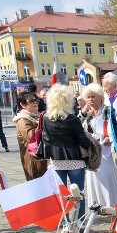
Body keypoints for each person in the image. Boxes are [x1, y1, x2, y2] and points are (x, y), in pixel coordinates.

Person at [42, 84, 92, 219]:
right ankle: (79, 221)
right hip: (75, 160)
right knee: (78, 194)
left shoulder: (46, 118)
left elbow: (46, 140)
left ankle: (64, 222)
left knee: (61, 194)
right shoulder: (72, 119)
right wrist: (91, 144)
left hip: (57, 160)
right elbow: (83, 139)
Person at [80, 83, 117, 209]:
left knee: (107, 173)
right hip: (91, 149)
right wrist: (83, 113)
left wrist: (111, 137)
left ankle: (111, 203)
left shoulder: (107, 110)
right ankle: (97, 204)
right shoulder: (85, 113)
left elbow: (116, 127)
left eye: (93, 96)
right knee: (94, 175)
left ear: (100, 97)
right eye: (88, 97)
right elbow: (76, 126)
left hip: (105, 148)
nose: (90, 99)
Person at [13, 91, 46, 180]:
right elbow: (32, 137)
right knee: (38, 189)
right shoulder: (23, 120)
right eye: (31, 101)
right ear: (23, 105)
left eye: (36, 100)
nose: (35, 102)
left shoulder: (37, 117)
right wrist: (39, 125)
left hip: (40, 158)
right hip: (32, 161)